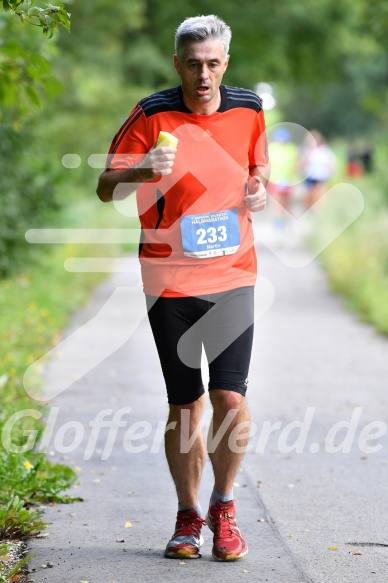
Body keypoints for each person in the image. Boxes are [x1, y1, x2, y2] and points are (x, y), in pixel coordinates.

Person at [97, 14, 269, 562]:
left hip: (234, 276)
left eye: (213, 64)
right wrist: (139, 171)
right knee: (187, 404)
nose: (203, 75)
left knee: (229, 395)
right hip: (168, 281)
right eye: (193, 64)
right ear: (177, 63)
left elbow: (256, 170)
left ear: (226, 63)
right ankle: (187, 515)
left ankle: (224, 507)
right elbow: (104, 187)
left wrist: (259, 190)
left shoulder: (249, 109)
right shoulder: (151, 113)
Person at [297, 129, 336, 209]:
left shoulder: (324, 150)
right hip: (309, 175)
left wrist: (330, 171)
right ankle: (310, 209)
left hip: (321, 176)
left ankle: (319, 210)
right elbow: (301, 163)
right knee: (309, 195)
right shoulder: (305, 149)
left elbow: (330, 162)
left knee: (321, 194)